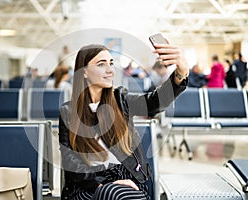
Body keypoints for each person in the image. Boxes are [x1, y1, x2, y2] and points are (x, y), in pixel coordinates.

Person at [58, 43, 189, 200]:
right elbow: (70, 161)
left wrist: (181, 72)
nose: (109, 70)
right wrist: (100, 185)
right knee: (109, 192)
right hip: (88, 184)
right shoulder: (69, 112)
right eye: (101, 64)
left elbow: (154, 102)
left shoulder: (120, 100)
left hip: (128, 181)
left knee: (116, 193)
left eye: (111, 63)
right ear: (84, 72)